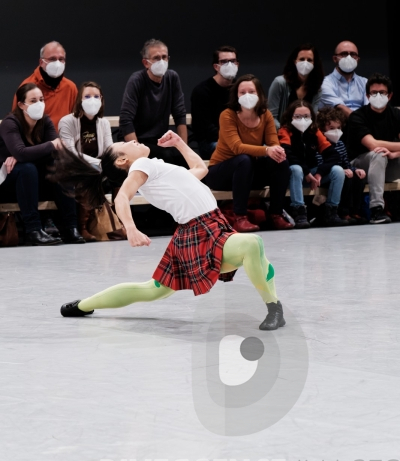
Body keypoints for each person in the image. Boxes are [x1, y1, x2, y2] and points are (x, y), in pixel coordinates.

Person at [49, 131, 286, 332]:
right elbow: (122, 197)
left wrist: (179, 143)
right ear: (122, 161)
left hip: (210, 226)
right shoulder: (142, 165)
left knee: (152, 291)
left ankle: (83, 305)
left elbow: (200, 168)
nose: (132, 141)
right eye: (125, 144)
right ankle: (274, 307)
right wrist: (130, 229)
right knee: (253, 245)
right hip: (200, 231)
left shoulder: (157, 170)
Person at [203, 74, 293, 233]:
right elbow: (237, 147)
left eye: (251, 92)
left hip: (247, 172)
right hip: (221, 173)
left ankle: (276, 214)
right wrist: (267, 150)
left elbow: (273, 143)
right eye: (242, 92)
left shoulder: (265, 114)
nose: (247, 96)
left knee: (280, 161)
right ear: (236, 95)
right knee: (243, 159)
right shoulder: (227, 115)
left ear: (259, 94)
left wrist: (277, 151)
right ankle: (240, 218)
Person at [0, 83, 84, 245]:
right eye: (33, 101)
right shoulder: (10, 123)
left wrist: (24, 154)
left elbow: (57, 151)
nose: (39, 104)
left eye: (41, 99)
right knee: (27, 169)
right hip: (7, 181)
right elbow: (49, 146)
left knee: (59, 164)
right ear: (21, 105)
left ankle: (70, 227)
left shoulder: (44, 121)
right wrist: (28, 153)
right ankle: (33, 230)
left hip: (36, 182)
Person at [278, 100, 348, 228]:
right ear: (290, 117)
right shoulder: (285, 131)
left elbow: (333, 154)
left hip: (313, 174)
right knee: (296, 169)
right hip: (293, 176)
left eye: (306, 116)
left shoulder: (314, 132)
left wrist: (320, 173)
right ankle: (299, 212)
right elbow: (288, 154)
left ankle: (331, 211)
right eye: (298, 116)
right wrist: (307, 172)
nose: (302, 120)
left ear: (311, 117)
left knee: (338, 170)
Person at [118, 38, 188, 167]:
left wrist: (184, 148)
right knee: (166, 158)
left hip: (160, 141)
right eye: (156, 58)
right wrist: (138, 154)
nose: (161, 61)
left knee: (184, 160)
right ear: (146, 63)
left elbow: (180, 114)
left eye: (164, 57)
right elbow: (126, 119)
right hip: (139, 141)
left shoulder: (172, 78)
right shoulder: (137, 80)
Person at [58, 81, 113, 241]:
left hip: (100, 168)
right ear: (79, 100)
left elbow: (109, 149)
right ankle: (83, 227)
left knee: (121, 173)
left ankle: (118, 223)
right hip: (76, 167)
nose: (92, 100)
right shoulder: (67, 121)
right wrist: (96, 163)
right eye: (87, 96)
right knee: (89, 173)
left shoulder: (104, 123)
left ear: (102, 99)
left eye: (96, 96)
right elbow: (70, 151)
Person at [347, 73, 400, 224]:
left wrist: (394, 154)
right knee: (378, 154)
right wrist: (388, 152)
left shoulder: (396, 114)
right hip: (360, 164)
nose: (377, 96)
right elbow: (373, 145)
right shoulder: (357, 116)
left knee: (383, 154)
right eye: (374, 93)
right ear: (367, 96)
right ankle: (377, 210)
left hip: (390, 161)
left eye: (382, 93)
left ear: (389, 96)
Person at [316, 107, 367, 224]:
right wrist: (342, 171)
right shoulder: (318, 144)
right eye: (331, 128)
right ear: (322, 129)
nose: (336, 131)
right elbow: (320, 164)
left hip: (341, 172)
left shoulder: (340, 144)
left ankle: (355, 211)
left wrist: (355, 169)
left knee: (357, 177)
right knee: (345, 178)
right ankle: (343, 212)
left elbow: (346, 163)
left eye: (338, 128)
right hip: (327, 175)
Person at [11, 41, 77, 130]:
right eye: (52, 59)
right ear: (41, 62)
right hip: (36, 142)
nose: (57, 63)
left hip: (63, 141)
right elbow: (15, 122)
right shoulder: (27, 86)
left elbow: (76, 120)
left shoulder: (70, 87)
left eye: (61, 59)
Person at [191, 45, 239, 159]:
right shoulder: (202, 91)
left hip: (237, 139)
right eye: (224, 62)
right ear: (216, 66)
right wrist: (232, 139)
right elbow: (204, 129)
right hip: (210, 142)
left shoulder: (241, 88)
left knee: (266, 150)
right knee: (239, 151)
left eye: (233, 61)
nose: (230, 65)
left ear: (238, 64)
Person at [268, 43, 324, 129]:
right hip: (281, 133)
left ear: (314, 63)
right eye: (302, 59)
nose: (305, 63)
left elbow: (313, 118)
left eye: (309, 60)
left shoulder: (317, 88)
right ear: (295, 61)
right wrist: (286, 133)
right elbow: (271, 117)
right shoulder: (279, 83)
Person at [316, 40, 368, 116]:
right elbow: (340, 108)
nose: (349, 57)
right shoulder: (324, 83)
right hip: (338, 125)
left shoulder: (365, 82)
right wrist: (360, 122)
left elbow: (370, 108)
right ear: (335, 59)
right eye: (344, 54)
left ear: (358, 60)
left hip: (363, 124)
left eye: (353, 54)